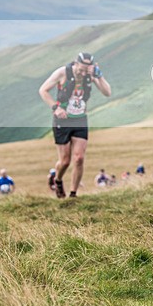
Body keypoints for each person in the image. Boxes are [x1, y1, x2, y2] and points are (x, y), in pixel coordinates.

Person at [39, 52, 112, 199]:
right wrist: (56, 108)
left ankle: (73, 194)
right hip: (62, 120)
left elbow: (107, 92)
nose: (83, 73)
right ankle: (58, 180)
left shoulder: (90, 75)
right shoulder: (62, 73)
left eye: (86, 70)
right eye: (81, 69)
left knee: (79, 159)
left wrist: (99, 76)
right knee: (65, 161)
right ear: (76, 63)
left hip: (80, 119)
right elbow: (43, 90)